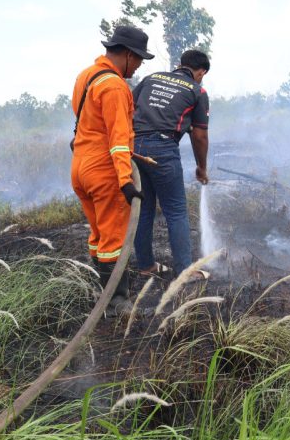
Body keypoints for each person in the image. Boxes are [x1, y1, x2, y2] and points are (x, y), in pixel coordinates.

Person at [70, 26, 153, 306]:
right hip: (104, 171)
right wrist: (126, 181)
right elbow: (118, 140)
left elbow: (87, 121)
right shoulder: (115, 86)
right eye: (139, 59)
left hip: (80, 167)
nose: (139, 65)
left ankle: (102, 291)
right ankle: (117, 303)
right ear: (128, 55)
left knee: (97, 234)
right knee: (114, 238)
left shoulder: (87, 76)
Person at [131, 49, 211, 279]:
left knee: (144, 208)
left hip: (133, 147)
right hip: (163, 149)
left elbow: (128, 109)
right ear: (201, 72)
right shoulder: (197, 90)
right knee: (175, 211)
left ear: (179, 64)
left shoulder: (151, 78)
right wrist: (201, 167)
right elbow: (199, 136)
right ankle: (184, 272)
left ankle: (146, 266)